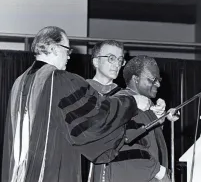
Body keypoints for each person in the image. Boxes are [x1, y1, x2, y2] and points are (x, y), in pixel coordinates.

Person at [2, 26, 150, 182]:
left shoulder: (20, 82)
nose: (69, 57)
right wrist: (133, 103)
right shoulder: (59, 79)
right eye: (67, 50)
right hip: (51, 171)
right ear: (54, 49)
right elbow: (97, 116)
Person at [98, 55, 179, 182]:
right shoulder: (122, 103)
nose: (158, 84)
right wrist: (160, 172)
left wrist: (161, 118)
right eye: (153, 79)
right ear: (136, 79)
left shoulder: (146, 105)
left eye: (159, 79)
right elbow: (126, 147)